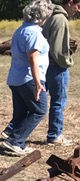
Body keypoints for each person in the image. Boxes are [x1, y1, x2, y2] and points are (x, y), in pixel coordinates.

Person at [2, 0, 54, 156]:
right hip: (29, 78)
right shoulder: (34, 32)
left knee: (22, 111)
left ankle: (16, 140)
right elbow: (33, 58)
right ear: (42, 16)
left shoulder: (20, 30)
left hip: (15, 78)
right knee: (40, 110)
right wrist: (38, 82)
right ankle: (15, 141)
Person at [43, 0, 80, 146]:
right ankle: (55, 135)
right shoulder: (60, 19)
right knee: (58, 102)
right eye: (78, 6)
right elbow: (58, 50)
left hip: (47, 65)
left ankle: (14, 130)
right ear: (70, 2)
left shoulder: (52, 16)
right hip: (56, 67)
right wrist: (67, 62)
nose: (78, 10)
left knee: (38, 100)